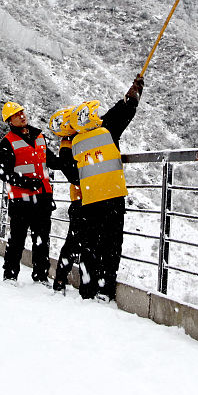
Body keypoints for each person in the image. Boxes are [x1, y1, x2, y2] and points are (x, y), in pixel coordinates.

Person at [59, 74, 144, 301]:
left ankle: (87, 288)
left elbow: (72, 173)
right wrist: (133, 94)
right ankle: (106, 290)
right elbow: (124, 113)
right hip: (114, 196)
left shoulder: (74, 143)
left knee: (89, 247)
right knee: (112, 245)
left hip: (89, 201)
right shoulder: (107, 131)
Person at [0, 100, 65, 283]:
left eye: (22, 112)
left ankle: (41, 276)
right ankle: (10, 276)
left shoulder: (38, 136)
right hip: (20, 200)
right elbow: (4, 173)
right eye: (17, 114)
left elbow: (51, 161)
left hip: (42, 197)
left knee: (42, 239)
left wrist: (70, 158)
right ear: (10, 121)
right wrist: (27, 182)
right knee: (17, 239)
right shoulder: (7, 143)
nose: (22, 115)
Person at [47, 107, 84, 293]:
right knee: (75, 242)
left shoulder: (73, 141)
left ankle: (63, 278)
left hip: (84, 198)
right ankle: (61, 279)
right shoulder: (68, 143)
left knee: (76, 242)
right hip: (81, 199)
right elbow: (71, 172)